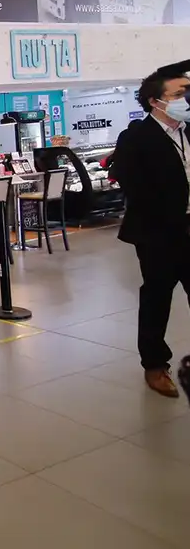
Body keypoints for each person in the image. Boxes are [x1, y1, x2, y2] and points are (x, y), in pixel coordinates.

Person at [111, 66, 190, 398]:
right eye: (179, 94)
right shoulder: (136, 138)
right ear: (156, 102)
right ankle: (155, 365)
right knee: (158, 298)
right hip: (159, 233)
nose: (187, 99)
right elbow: (137, 190)